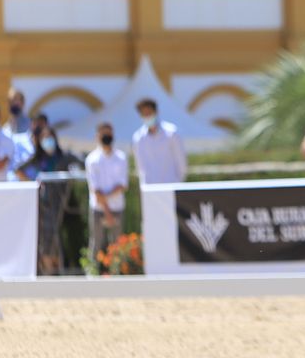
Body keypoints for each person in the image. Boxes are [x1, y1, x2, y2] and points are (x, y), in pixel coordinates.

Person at [23, 125, 75, 275]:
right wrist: (32, 183)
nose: (47, 141)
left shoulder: (62, 157)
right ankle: (48, 269)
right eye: (44, 138)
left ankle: (58, 268)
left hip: (59, 202)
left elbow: (78, 162)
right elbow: (19, 169)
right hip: (42, 203)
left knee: (56, 236)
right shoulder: (38, 158)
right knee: (44, 237)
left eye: (50, 138)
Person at [85, 122, 130, 268]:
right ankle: (93, 273)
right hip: (98, 208)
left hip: (117, 207)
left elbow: (122, 185)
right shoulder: (92, 159)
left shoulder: (121, 157)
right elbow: (95, 189)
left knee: (118, 243)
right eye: (103, 134)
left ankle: (119, 272)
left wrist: (108, 198)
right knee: (96, 242)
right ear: (97, 136)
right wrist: (106, 210)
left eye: (109, 133)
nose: (107, 137)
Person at [130, 99, 185, 186]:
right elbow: (140, 167)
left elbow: (181, 162)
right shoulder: (138, 138)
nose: (147, 116)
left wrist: (177, 182)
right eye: (144, 114)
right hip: (150, 189)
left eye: (149, 112)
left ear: (156, 112)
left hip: (172, 186)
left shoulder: (171, 133)